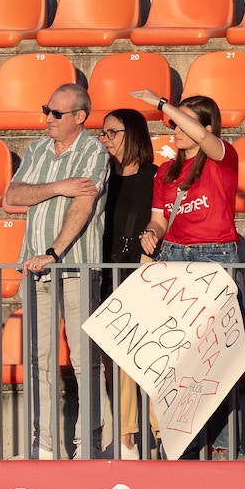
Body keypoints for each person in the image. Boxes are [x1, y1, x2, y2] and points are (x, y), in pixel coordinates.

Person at [132, 91, 244, 460]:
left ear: (204, 127)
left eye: (181, 122)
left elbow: (211, 145)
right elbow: (159, 218)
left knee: (218, 364)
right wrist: (151, 233)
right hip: (176, 259)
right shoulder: (166, 171)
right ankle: (184, 446)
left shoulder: (222, 159)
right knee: (179, 363)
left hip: (215, 258)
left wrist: (163, 103)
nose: (173, 129)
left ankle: (223, 446)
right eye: (171, 123)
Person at [6, 82, 109, 460]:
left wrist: (54, 251)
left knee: (85, 361)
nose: (47, 118)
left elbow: (83, 205)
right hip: (34, 268)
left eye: (56, 113)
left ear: (79, 117)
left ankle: (88, 446)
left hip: (76, 266)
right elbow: (11, 197)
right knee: (40, 360)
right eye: (46, 110)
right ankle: (44, 444)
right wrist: (57, 187)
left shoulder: (93, 151)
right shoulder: (36, 149)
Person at [97, 108, 159, 460]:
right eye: (102, 133)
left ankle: (161, 434)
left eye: (112, 132)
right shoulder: (101, 177)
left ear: (132, 134)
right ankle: (126, 439)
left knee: (149, 359)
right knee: (117, 359)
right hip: (108, 278)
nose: (104, 139)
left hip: (144, 278)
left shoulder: (155, 177)